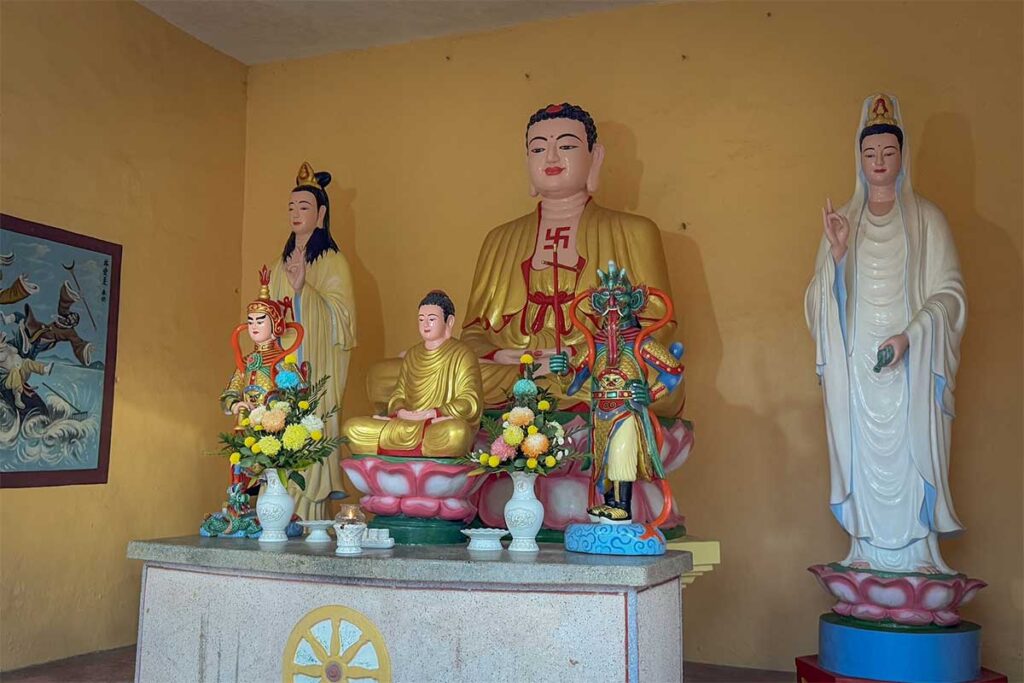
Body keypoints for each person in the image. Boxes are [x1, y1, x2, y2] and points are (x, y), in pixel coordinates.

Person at [366, 103, 683, 417]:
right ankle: (538, 390)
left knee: (660, 381)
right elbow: (475, 333)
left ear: (595, 157)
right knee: (385, 376)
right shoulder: (499, 239)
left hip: (589, 366)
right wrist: (504, 355)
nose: (552, 158)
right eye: (538, 148)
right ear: (527, 161)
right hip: (509, 366)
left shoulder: (634, 231)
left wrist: (578, 354)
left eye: (567, 146)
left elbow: (658, 325)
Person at [805, 93, 967, 574]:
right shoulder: (841, 224)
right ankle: (864, 550)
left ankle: (918, 557)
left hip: (911, 370)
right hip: (857, 368)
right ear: (858, 159)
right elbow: (817, 304)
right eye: (869, 153)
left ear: (902, 157)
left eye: (888, 153)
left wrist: (912, 335)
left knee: (910, 455)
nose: (878, 162)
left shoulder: (929, 220)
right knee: (862, 457)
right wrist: (835, 256)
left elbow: (951, 298)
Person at [270, 162, 355, 520]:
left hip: (317, 371)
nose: (295, 214)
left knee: (311, 441)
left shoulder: (334, 262)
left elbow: (344, 322)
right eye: (291, 207)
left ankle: (310, 521)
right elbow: (274, 314)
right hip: (286, 369)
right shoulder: (280, 264)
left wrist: (306, 289)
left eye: (303, 207)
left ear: (321, 214)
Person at [342, 290, 482, 457]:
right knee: (351, 428)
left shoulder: (463, 354)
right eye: (421, 319)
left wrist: (433, 413)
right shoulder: (412, 355)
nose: (425, 325)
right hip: (405, 423)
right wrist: (400, 410)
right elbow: (398, 394)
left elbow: (470, 401)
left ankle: (412, 447)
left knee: (456, 433)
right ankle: (417, 448)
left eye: (431, 319)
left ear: (449, 322)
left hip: (436, 424)